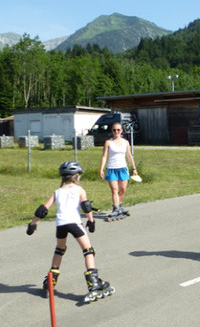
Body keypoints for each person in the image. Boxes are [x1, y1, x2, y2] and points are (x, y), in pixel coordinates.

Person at [26, 160, 113, 302]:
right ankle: (94, 284)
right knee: (88, 251)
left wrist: (32, 223)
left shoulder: (57, 191)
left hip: (61, 225)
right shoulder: (79, 190)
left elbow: (43, 209)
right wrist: (91, 221)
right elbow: (86, 207)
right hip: (74, 223)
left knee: (59, 249)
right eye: (79, 175)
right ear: (76, 176)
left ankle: (50, 281)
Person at [99, 121, 139, 220]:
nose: (116, 131)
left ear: (121, 131)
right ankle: (115, 208)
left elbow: (129, 156)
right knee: (114, 190)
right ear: (112, 131)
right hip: (112, 168)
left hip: (123, 168)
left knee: (122, 190)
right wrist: (101, 169)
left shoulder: (125, 142)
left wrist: (134, 168)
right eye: (114, 130)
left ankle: (119, 206)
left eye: (118, 130)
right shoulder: (108, 142)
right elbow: (104, 156)